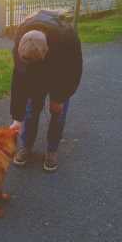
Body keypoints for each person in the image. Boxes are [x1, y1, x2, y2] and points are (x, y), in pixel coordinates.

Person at [10, 10, 83, 171]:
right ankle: (26, 146)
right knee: (30, 111)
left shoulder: (67, 39)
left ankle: (51, 150)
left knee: (58, 114)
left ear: (46, 52)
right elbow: (19, 80)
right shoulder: (20, 37)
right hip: (35, 77)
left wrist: (59, 98)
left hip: (61, 75)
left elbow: (74, 73)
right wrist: (17, 117)